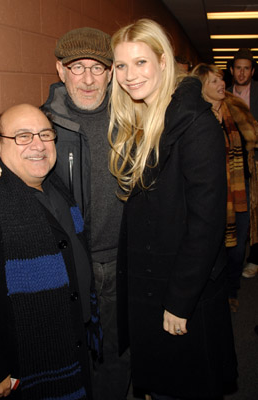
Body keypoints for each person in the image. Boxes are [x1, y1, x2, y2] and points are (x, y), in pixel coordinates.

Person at [0, 28, 130, 400]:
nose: (88, 78)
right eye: (77, 68)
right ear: (61, 71)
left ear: (111, 73)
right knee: (66, 355)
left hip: (122, 260)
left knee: (118, 355)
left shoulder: (132, 118)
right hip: (65, 264)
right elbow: (12, 143)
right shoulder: (47, 122)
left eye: (98, 68)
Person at [108, 19, 237, 400]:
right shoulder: (141, 117)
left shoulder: (195, 124)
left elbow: (207, 223)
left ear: (163, 62)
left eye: (141, 63)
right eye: (121, 66)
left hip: (181, 291)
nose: (130, 76)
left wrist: (180, 300)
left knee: (183, 386)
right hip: (152, 284)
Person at [0, 104, 101, 400]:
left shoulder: (56, 186)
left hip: (71, 343)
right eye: (23, 136)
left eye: (45, 134)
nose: (38, 145)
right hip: (16, 370)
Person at [192, 63, 258, 312]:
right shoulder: (197, 116)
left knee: (237, 246)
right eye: (214, 82)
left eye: (221, 80)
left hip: (239, 190)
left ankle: (232, 290)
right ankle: (212, 294)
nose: (222, 85)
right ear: (201, 88)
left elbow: (251, 137)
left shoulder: (235, 110)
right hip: (210, 195)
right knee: (212, 247)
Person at [228, 48, 258, 279]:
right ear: (231, 70)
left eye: (246, 68)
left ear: (252, 71)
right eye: (238, 68)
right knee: (238, 213)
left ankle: (254, 258)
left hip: (256, 163)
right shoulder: (222, 95)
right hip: (233, 167)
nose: (241, 72)